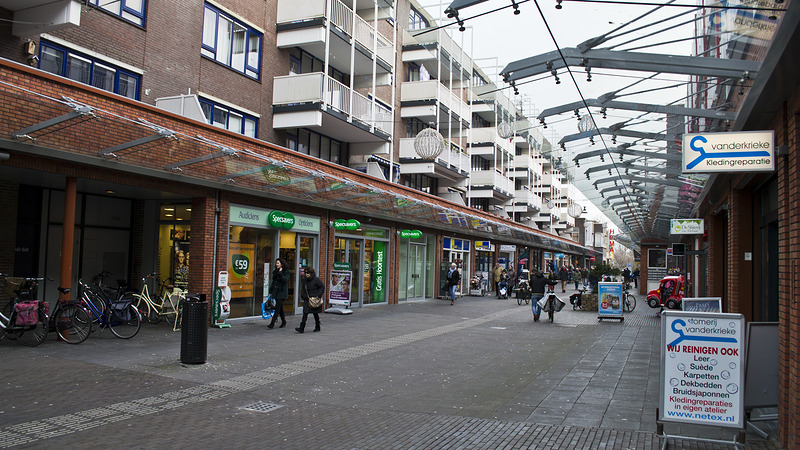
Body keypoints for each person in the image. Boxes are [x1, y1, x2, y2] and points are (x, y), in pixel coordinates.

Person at [296, 267, 323, 333]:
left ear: (311, 273)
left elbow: (322, 287)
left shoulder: (316, 280)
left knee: (315, 313)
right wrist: (303, 296)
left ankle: (317, 326)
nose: (306, 274)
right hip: (307, 299)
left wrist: (318, 295)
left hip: (314, 300)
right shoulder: (305, 280)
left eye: (308, 273)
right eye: (305, 273)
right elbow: (303, 289)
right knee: (305, 313)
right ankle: (302, 327)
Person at [267, 257, 290, 329]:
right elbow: (273, 282)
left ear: (282, 264)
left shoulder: (286, 272)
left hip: (282, 292)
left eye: (278, 263)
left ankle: (272, 323)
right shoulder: (275, 271)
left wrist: (280, 273)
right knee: (280, 308)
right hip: (276, 291)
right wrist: (270, 291)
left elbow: (285, 280)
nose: (276, 264)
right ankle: (283, 321)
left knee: (277, 308)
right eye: (276, 263)